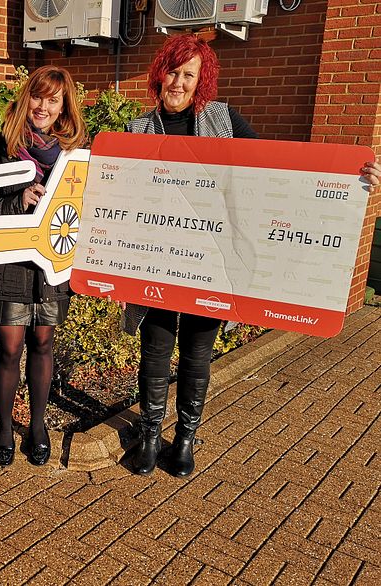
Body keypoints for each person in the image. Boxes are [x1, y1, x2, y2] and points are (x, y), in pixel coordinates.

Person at [124, 34, 381, 479]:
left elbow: (274, 171)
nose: (179, 83)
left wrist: (353, 178)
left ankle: (184, 438)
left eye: (189, 75)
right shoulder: (137, 129)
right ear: (159, 74)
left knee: (198, 351)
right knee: (156, 346)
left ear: (201, 82)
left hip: (213, 260)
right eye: (173, 71)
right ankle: (148, 436)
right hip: (158, 258)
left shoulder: (224, 120)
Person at [0, 66, 87, 467]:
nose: (44, 107)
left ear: (63, 107)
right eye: (38, 97)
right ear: (26, 99)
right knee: (9, 349)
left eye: (54, 100)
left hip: (52, 270)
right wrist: (17, 202)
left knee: (43, 343)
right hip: (9, 267)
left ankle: (37, 426)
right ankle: (3, 425)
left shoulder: (72, 157)